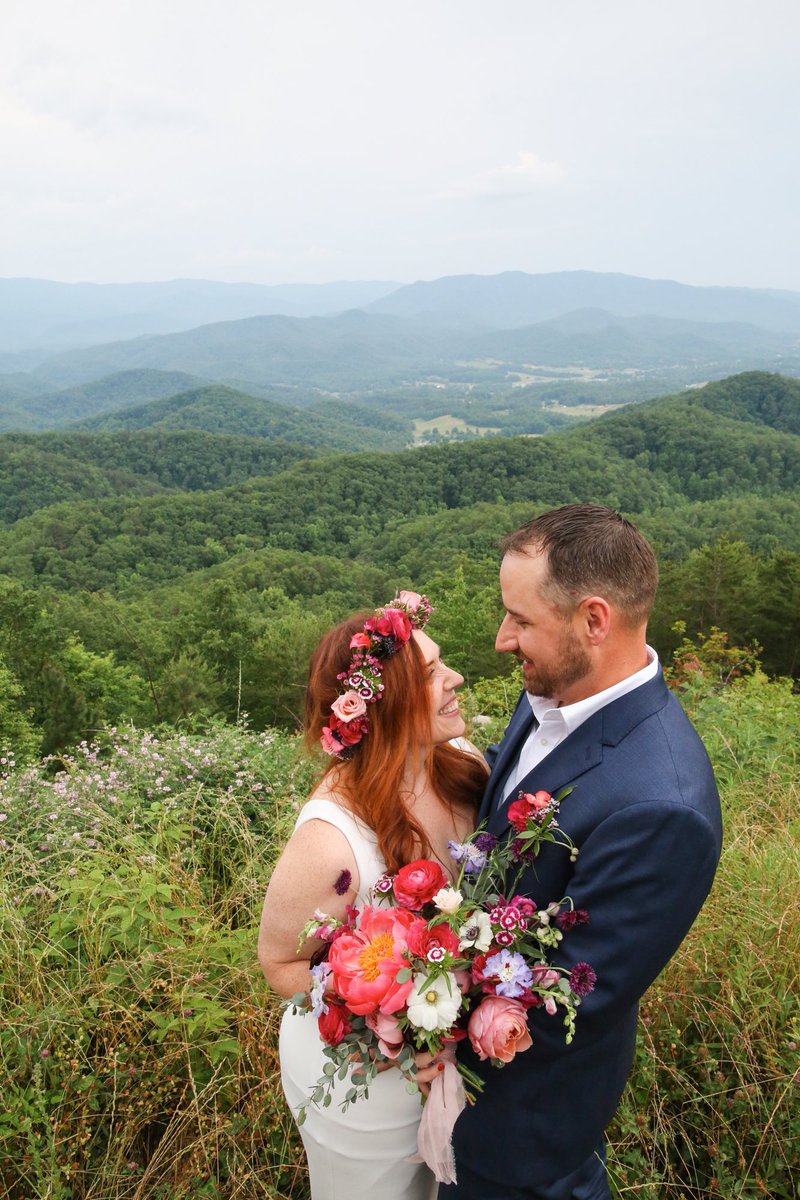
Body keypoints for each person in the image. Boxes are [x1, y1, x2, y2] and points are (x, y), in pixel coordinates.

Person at [442, 504, 723, 1200]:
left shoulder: (663, 807)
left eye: (521, 619)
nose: (502, 639)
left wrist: (401, 1008)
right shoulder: (558, 686)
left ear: (594, 620)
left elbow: (564, 997)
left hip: (522, 1146)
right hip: (454, 1112)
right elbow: (506, 808)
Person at [258, 591, 487, 1200]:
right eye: (432, 673)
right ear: (382, 708)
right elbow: (278, 961)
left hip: (453, 1065)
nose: (455, 678)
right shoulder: (330, 844)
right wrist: (387, 1033)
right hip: (365, 1089)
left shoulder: (463, 764)